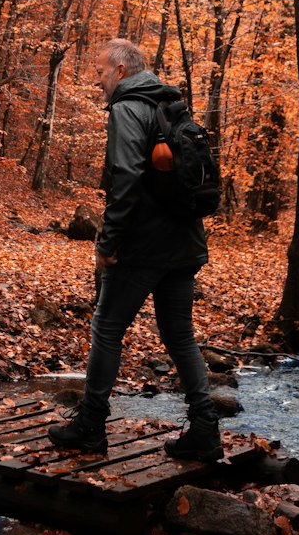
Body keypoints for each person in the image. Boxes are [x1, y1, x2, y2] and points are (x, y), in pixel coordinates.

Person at [48, 38, 222, 461]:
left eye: (101, 70)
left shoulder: (128, 109)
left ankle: (90, 425)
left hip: (144, 246)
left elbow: (126, 177)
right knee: (180, 337)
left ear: (122, 71)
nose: (97, 78)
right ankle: (205, 429)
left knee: (106, 330)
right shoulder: (169, 106)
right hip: (184, 244)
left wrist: (107, 242)